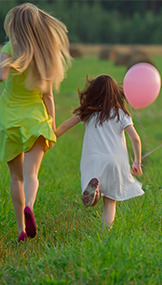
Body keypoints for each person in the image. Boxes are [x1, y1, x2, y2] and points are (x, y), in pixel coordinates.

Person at [0, 3, 71, 242]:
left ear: (14, 27)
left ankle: (20, 230)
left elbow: (2, 74)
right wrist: (52, 127)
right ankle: (31, 207)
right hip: (36, 120)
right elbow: (48, 96)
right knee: (32, 174)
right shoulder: (44, 53)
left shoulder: (8, 48)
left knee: (16, 177)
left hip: (10, 120)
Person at [56, 75, 144, 229]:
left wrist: (50, 138)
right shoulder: (120, 114)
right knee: (110, 202)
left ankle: (95, 192)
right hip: (115, 162)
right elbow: (135, 139)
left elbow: (64, 126)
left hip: (94, 160)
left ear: (93, 92)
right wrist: (137, 162)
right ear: (115, 93)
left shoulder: (88, 112)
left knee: (94, 198)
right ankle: (105, 234)